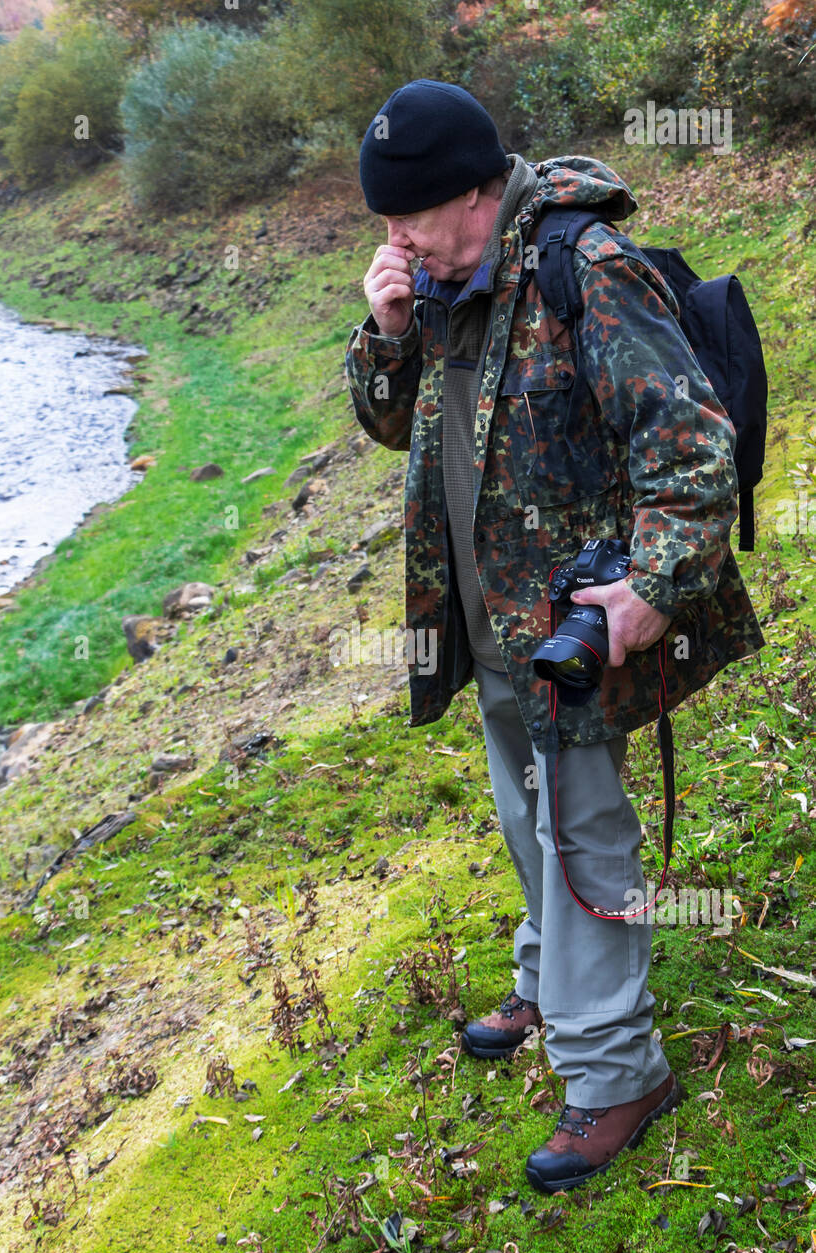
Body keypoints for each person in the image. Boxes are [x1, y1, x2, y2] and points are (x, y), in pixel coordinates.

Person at [344, 79, 765, 1193]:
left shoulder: (585, 267)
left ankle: (616, 1069)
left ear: (476, 193)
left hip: (578, 627)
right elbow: (394, 426)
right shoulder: (442, 282)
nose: (393, 240)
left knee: (585, 840)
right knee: (527, 820)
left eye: (408, 219)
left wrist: (654, 588)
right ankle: (549, 981)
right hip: (483, 626)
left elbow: (690, 445)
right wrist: (386, 332)